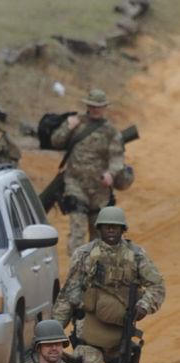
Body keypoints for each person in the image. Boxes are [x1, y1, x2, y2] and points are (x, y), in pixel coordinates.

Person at [52, 206, 165, 363]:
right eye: (106, 226)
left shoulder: (136, 256)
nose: (111, 230)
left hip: (119, 335)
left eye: (115, 226)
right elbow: (69, 295)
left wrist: (144, 306)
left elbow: (157, 286)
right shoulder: (85, 255)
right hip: (88, 332)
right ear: (99, 228)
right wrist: (54, 332)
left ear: (123, 229)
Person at [50, 88, 125, 256]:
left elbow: (117, 157)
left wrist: (111, 174)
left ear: (105, 107)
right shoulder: (76, 123)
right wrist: (68, 127)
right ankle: (77, 269)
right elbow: (56, 141)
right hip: (75, 185)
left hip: (100, 190)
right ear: (87, 105)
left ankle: (94, 272)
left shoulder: (110, 131)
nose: (95, 109)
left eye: (99, 106)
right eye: (92, 105)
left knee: (98, 233)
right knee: (77, 230)